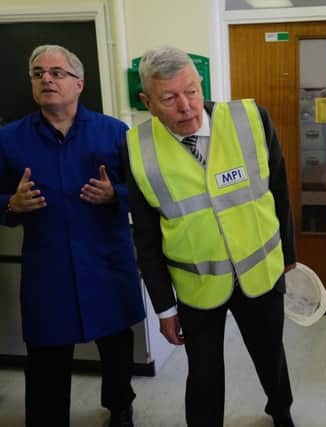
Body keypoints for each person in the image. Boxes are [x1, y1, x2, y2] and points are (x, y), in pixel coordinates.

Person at [123, 45, 296, 427]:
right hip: (197, 284)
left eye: (192, 91)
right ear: (147, 101)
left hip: (261, 271)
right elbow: (147, 238)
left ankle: (280, 411)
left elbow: (279, 189)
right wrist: (165, 308)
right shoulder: (137, 148)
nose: (186, 106)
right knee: (202, 373)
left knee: (271, 354)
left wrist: (288, 253)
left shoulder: (251, 119)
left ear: (202, 84)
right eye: (169, 98)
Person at [0, 45, 145, 427]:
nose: (46, 78)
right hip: (49, 269)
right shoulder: (9, 139)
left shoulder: (114, 132)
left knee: (116, 348)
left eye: (57, 72)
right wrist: (11, 204)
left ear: (79, 83)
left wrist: (117, 195)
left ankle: (120, 407)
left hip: (106, 263)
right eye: (38, 73)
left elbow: (145, 191)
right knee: (47, 354)